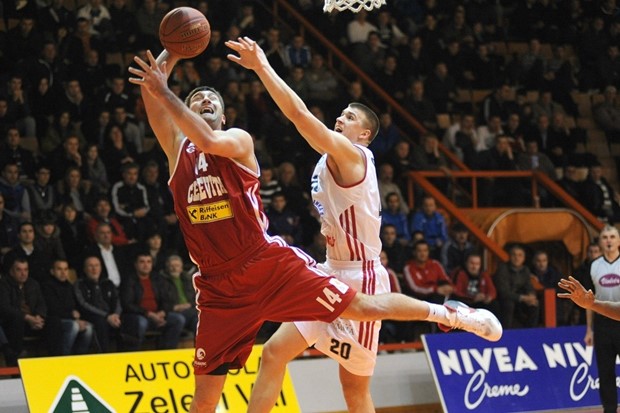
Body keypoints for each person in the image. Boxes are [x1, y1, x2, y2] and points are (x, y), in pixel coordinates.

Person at [127, 43, 501, 413]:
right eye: (197, 99)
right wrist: (173, 52)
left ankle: (452, 315)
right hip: (226, 282)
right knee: (259, 363)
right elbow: (152, 92)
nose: (206, 100)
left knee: (355, 379)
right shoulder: (180, 152)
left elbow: (295, 115)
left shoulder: (249, 141)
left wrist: (246, 71)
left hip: (297, 265)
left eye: (213, 99)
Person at [558, 225, 620, 413]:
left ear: (618, 241)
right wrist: (589, 329)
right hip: (602, 322)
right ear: (600, 242)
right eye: (605, 237)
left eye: (612, 236)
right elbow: (588, 301)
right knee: (605, 370)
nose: (608, 240)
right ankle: (609, 409)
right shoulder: (594, 266)